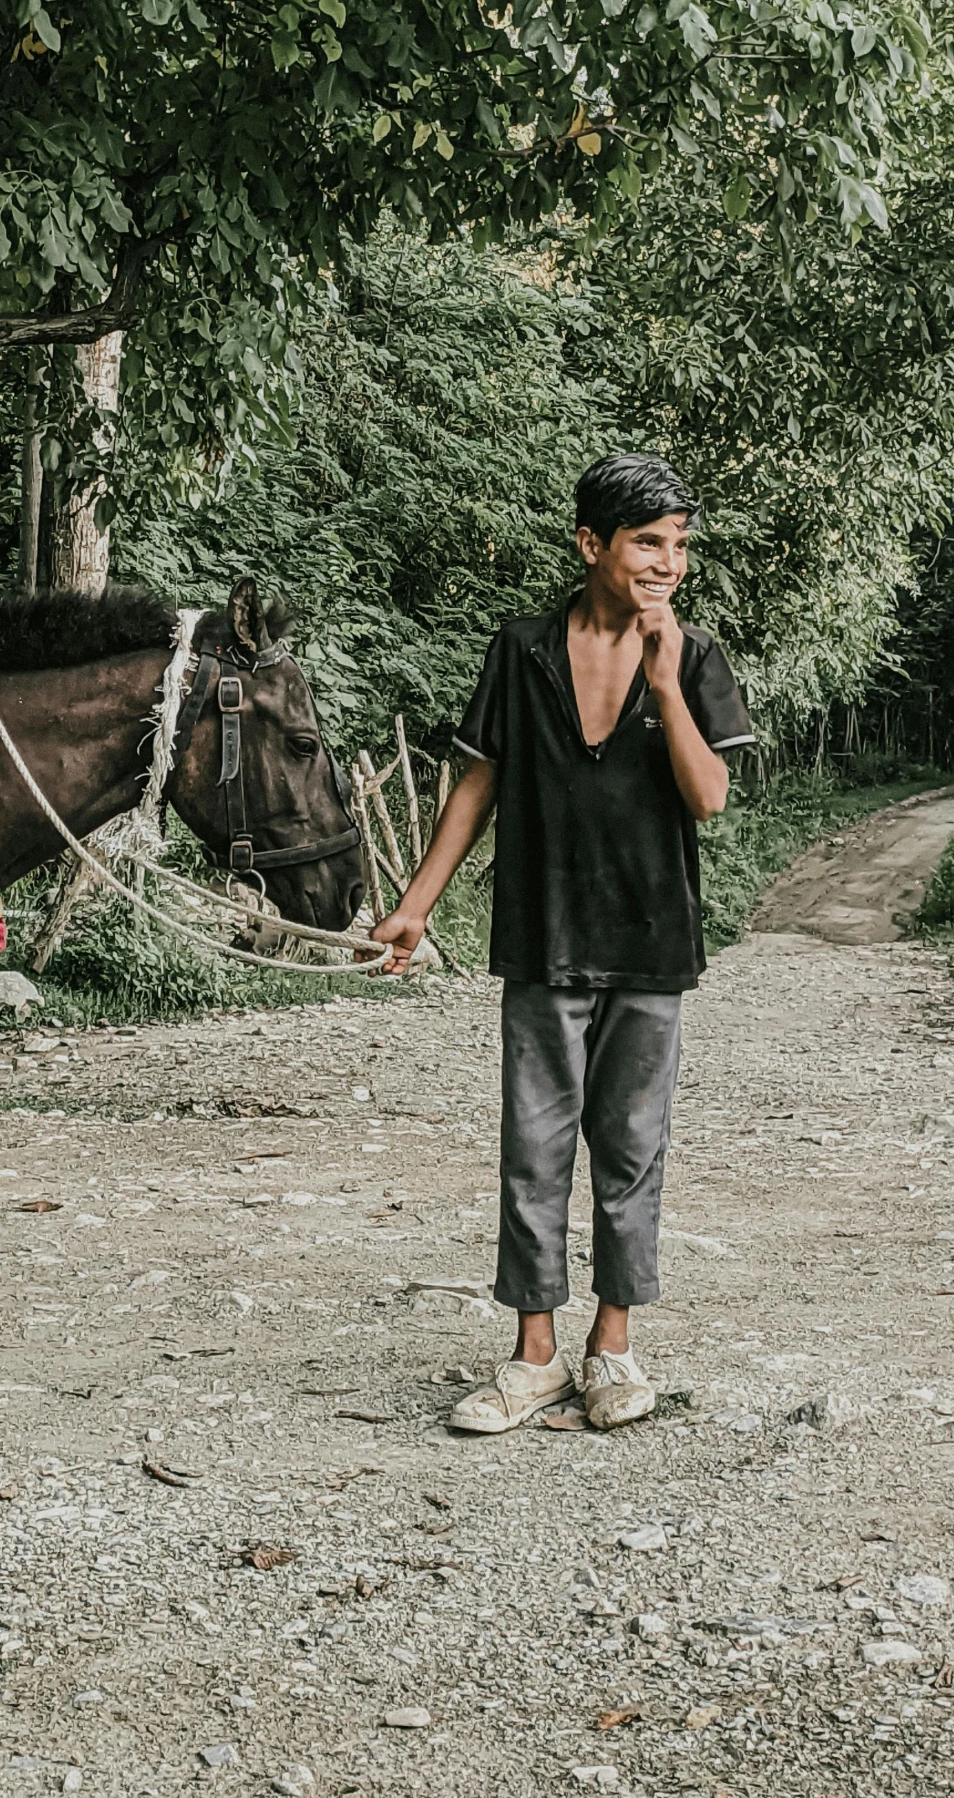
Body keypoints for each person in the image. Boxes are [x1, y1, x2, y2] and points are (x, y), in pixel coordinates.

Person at [371, 454, 755, 1433]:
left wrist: (666, 687)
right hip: (542, 938)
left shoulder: (695, 655)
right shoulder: (524, 647)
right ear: (591, 544)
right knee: (533, 1150)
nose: (668, 561)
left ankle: (611, 1349)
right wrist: (417, 902)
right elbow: (477, 783)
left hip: (650, 942)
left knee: (630, 1149)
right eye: (646, 541)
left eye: (678, 544)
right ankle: (536, 1355)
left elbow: (708, 797)